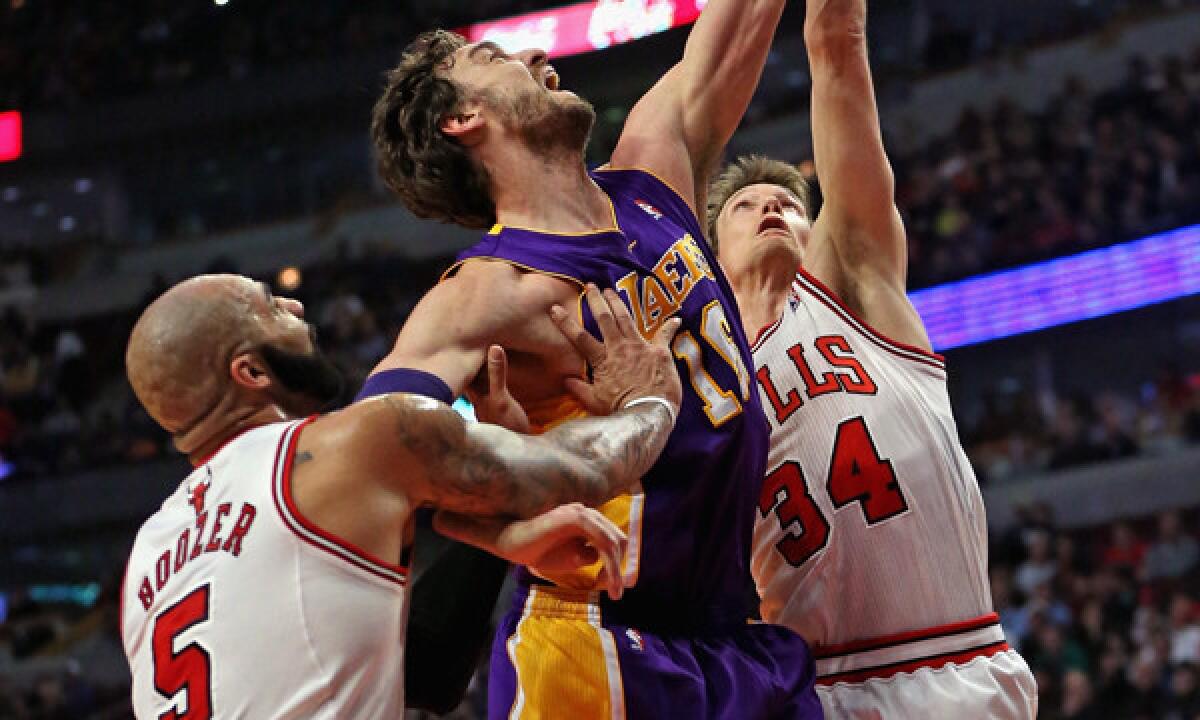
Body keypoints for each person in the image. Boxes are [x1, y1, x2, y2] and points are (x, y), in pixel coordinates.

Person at [368, 2, 820, 717]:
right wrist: (505, 529)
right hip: (595, 641)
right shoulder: (487, 291)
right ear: (463, 121)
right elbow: (369, 450)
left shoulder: (654, 168)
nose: (538, 59)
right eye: (497, 60)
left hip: (737, 638)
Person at [120, 274, 684, 718]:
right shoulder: (349, 444)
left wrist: (496, 543)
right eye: (270, 307)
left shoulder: (149, 553)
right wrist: (649, 402)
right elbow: (581, 469)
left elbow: (425, 672)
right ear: (249, 371)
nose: (294, 308)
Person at [705, 0, 1037, 716]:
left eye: (788, 205)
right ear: (710, 255)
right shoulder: (702, 381)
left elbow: (836, 46)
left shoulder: (851, 287)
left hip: (954, 659)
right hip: (818, 691)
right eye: (745, 207)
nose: (770, 209)